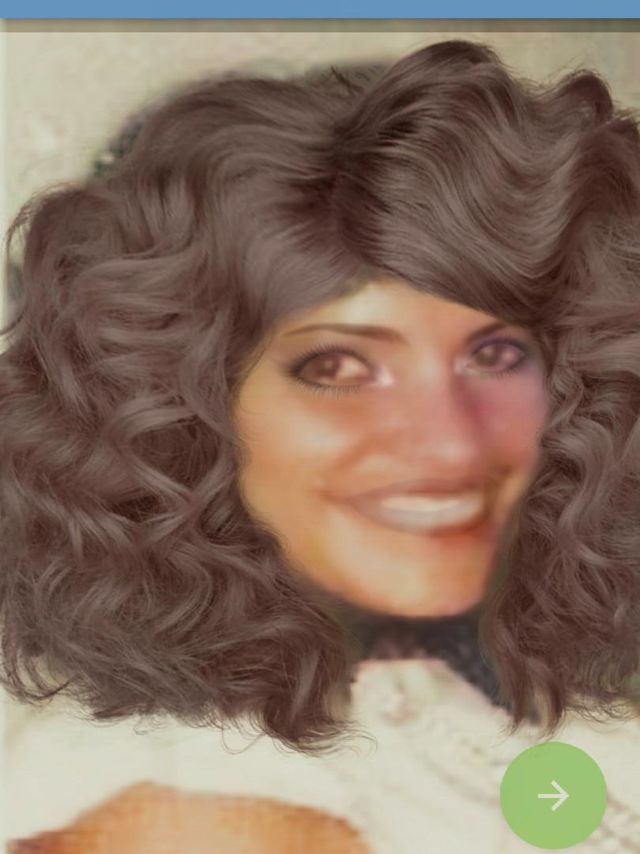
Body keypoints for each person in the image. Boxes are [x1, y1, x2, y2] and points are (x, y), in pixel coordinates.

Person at [4, 39, 640, 853]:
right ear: (186, 412)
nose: (448, 441)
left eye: (492, 358)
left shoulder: (504, 698)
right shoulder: (186, 804)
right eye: (338, 368)